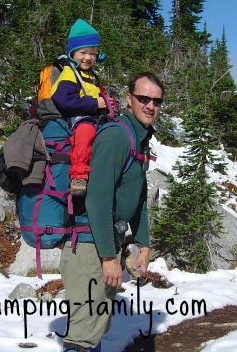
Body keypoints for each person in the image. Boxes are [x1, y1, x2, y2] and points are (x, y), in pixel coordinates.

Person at [59, 72, 165, 352]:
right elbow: (97, 200)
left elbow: (138, 197)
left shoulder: (138, 139)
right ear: (129, 99)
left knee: (95, 329)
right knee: (82, 337)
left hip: (103, 244)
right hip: (89, 248)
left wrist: (143, 244)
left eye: (156, 101)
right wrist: (108, 257)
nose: (150, 106)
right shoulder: (117, 136)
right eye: (143, 98)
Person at [51, 18, 112, 196]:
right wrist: (95, 104)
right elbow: (65, 101)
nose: (88, 57)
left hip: (94, 116)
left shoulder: (91, 75)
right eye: (83, 52)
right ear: (72, 53)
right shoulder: (70, 73)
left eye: (93, 53)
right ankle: (78, 176)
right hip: (77, 117)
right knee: (85, 132)